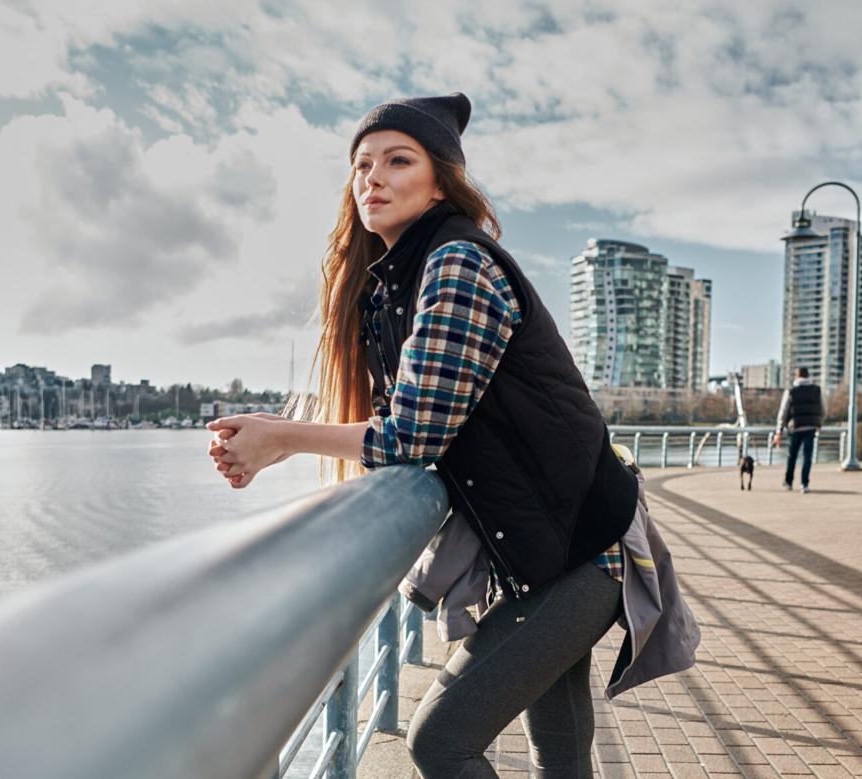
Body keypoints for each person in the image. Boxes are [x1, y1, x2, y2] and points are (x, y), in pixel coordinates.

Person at [204, 93, 695, 777]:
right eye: (361, 165)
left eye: (397, 160)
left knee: (438, 738)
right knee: (559, 748)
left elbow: (413, 432)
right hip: (557, 549)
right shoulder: (396, 283)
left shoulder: (458, 263)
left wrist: (282, 438)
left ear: (441, 180)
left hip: (584, 553)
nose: (371, 177)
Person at [773, 367, 824, 492]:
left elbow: (783, 411)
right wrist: (819, 424)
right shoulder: (816, 390)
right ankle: (804, 484)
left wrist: (779, 430)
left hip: (794, 427)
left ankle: (789, 482)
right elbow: (823, 409)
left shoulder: (791, 391)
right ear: (808, 376)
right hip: (811, 427)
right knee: (807, 457)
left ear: (796, 376)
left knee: (792, 456)